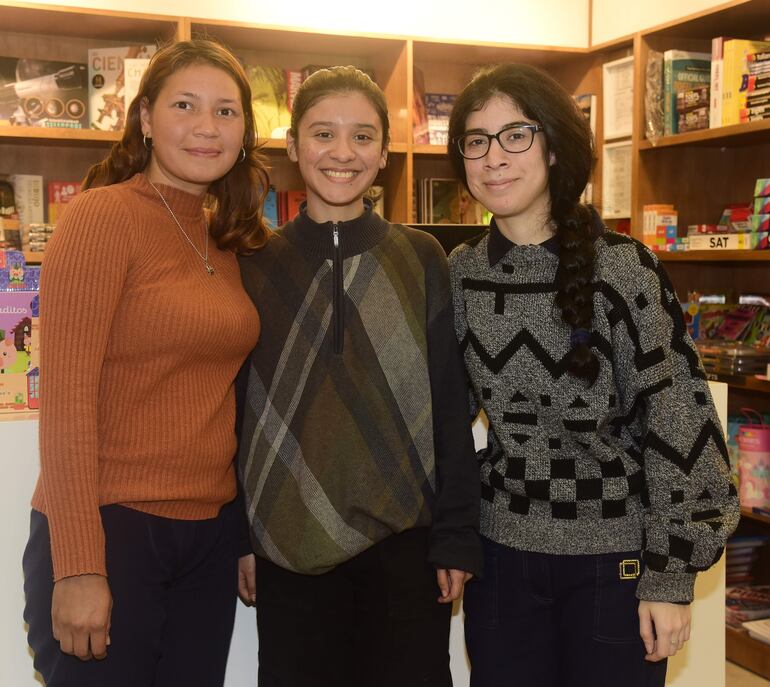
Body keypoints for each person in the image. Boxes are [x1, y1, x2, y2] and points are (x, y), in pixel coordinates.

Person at [446, 63, 740, 687]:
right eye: (477, 140)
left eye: (515, 135)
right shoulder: (461, 273)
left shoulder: (624, 268)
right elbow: (441, 419)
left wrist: (671, 576)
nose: (494, 157)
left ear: (553, 147)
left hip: (615, 568)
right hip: (501, 564)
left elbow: (679, 419)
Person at [22, 38, 270, 687]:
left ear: (245, 132)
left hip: (207, 539)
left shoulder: (227, 237)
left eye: (226, 112)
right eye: (185, 105)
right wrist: (78, 565)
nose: (205, 127)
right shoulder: (101, 216)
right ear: (145, 119)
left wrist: (240, 536)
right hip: (110, 530)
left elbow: (234, 404)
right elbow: (68, 401)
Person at [236, 65, 482, 687]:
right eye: (323, 134)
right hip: (288, 544)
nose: (342, 153)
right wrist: (238, 534)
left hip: (406, 546)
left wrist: (456, 535)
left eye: (363, 137)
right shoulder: (256, 262)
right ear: (293, 148)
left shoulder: (422, 256)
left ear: (384, 156)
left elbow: (450, 408)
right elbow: (236, 412)